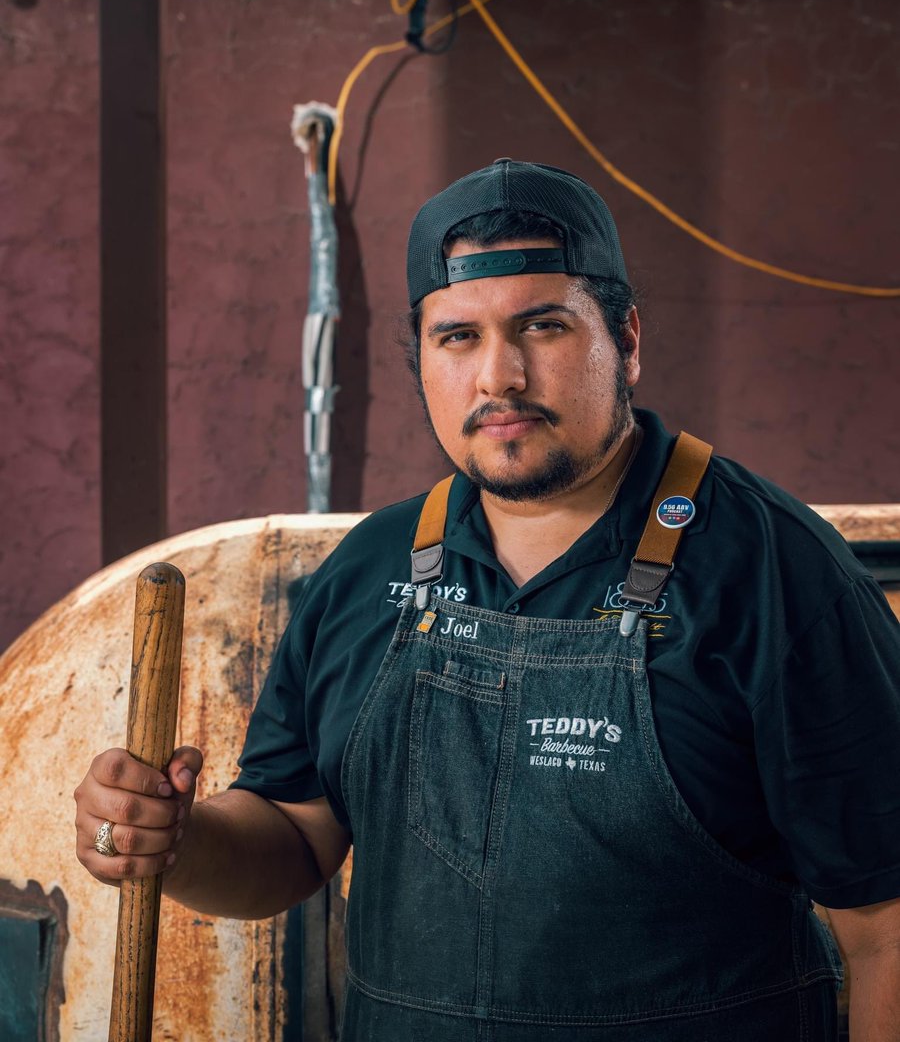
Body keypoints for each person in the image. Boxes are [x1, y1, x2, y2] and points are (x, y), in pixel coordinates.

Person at [76, 160, 900, 1041]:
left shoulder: (776, 572)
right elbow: (294, 834)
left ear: (624, 339)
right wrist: (174, 840)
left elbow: (888, 930)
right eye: (458, 337)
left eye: (542, 326)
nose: (498, 377)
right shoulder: (371, 568)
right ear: (422, 358)